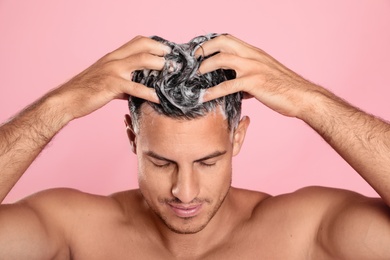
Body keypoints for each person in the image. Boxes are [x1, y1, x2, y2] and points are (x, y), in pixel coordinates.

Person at [0, 33, 389, 259]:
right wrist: (59, 105)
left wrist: (310, 100)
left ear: (237, 137)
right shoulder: (74, 230)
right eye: (160, 162)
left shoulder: (305, 232)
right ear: (133, 138)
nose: (183, 192)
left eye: (207, 161)